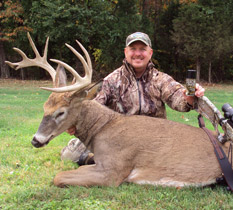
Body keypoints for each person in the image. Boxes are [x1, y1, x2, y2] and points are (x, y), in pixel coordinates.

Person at [61, 32, 205, 165]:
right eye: (133, 49)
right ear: (126, 52)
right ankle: (95, 157)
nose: (137, 53)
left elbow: (179, 99)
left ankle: (103, 161)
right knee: (70, 155)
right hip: (120, 141)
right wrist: (74, 123)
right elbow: (91, 107)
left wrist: (189, 96)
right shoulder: (111, 80)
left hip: (154, 141)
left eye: (142, 49)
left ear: (150, 53)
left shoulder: (161, 80)